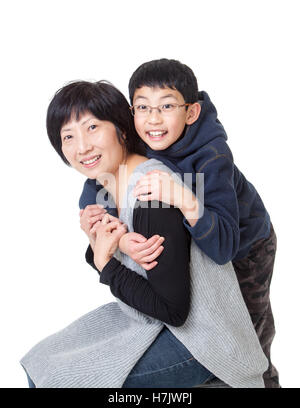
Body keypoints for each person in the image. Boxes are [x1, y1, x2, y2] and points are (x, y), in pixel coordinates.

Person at [20, 80, 268, 388]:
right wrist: (100, 240)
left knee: (61, 380)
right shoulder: (103, 187)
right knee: (40, 362)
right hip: (148, 321)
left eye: (92, 127)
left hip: (201, 343)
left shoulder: (153, 195)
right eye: (68, 136)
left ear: (122, 129)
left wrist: (106, 264)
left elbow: (173, 311)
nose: (81, 146)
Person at [79, 59, 279, 388]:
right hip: (191, 246)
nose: (153, 120)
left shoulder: (211, 157)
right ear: (131, 112)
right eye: (143, 107)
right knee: (195, 329)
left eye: (167, 106)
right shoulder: (139, 138)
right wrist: (106, 223)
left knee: (246, 339)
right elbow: (98, 179)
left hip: (244, 245)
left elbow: (223, 248)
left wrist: (184, 198)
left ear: (191, 113)